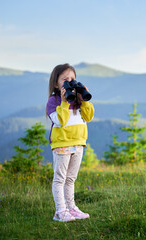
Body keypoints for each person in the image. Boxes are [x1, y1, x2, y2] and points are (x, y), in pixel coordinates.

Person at [46, 63, 95, 222]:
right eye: (65, 79)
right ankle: (60, 211)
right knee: (60, 179)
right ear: (56, 83)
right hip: (62, 145)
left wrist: (84, 99)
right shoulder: (54, 102)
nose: (70, 81)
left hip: (78, 143)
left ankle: (71, 208)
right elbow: (60, 121)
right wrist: (65, 102)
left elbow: (88, 117)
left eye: (72, 79)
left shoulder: (78, 101)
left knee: (70, 179)